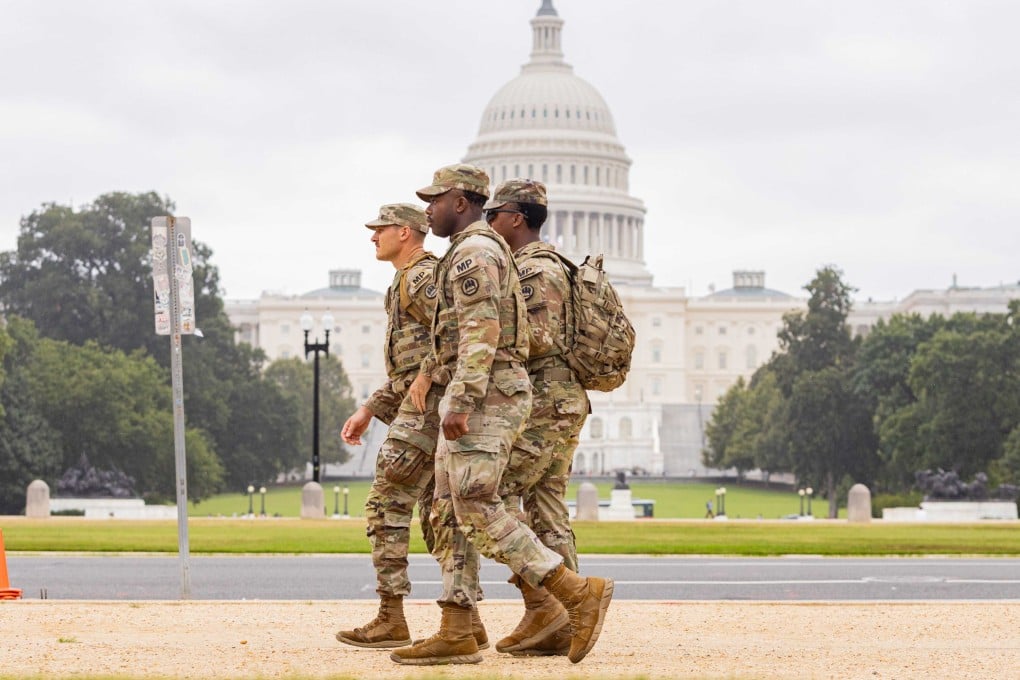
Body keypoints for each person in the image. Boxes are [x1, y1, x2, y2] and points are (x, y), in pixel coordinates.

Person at [390, 164, 613, 667]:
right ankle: (461, 624)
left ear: (463, 203)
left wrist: (462, 398)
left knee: (477, 503)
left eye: (437, 199)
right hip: (497, 391)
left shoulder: (473, 253)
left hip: (490, 394)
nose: (428, 208)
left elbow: (481, 329)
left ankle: (571, 596)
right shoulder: (483, 253)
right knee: (458, 505)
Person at [336, 203, 463, 649]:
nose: (373, 237)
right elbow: (408, 368)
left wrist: (429, 372)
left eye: (380, 229)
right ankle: (465, 620)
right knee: (437, 519)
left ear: (407, 233)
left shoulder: (421, 277)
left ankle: (392, 616)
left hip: (429, 409)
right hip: (425, 405)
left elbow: (457, 329)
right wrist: (370, 408)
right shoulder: (404, 280)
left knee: (386, 503)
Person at [482, 178, 590, 657]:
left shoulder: (533, 269)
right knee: (547, 509)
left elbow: (539, 338)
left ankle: (549, 605)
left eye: (494, 214)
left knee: (490, 498)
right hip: (561, 400)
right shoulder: (552, 264)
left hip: (544, 402)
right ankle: (563, 619)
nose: (488, 223)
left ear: (516, 218)